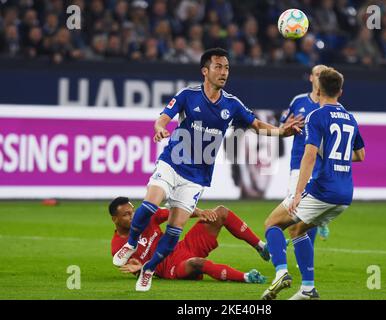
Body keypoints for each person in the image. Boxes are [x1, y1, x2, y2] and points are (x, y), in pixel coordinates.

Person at [113, 47, 302, 292]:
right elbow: (163, 117)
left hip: (196, 178)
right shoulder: (188, 96)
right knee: (150, 204)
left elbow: (255, 124)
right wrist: (160, 128)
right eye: (218, 67)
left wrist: (280, 132)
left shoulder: (232, 104)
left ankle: (149, 270)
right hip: (171, 163)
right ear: (205, 71)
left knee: (173, 231)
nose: (224, 72)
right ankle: (130, 243)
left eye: (226, 68)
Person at [261, 67, 365, 300]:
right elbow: (360, 155)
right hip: (345, 194)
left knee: (272, 223)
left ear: (319, 89)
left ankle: (281, 273)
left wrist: (298, 193)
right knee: (298, 230)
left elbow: (308, 157)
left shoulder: (316, 116)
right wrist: (333, 155)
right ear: (341, 91)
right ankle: (307, 289)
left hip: (323, 189)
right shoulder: (350, 117)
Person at [110, 197, 268, 284]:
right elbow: (138, 269)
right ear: (114, 219)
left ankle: (261, 247)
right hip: (169, 267)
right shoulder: (118, 247)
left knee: (220, 212)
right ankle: (247, 277)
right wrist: (139, 270)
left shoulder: (145, 217)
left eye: (132, 212)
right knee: (196, 263)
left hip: (182, 247)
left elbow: (175, 211)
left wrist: (199, 212)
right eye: (126, 214)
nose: (132, 217)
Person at [280, 64, 331, 243]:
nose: (319, 78)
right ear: (311, 78)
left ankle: (306, 253)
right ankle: (320, 220)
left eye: (323, 75)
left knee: (308, 211)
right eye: (317, 74)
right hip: (298, 164)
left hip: (320, 166)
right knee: (293, 210)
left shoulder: (330, 105)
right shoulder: (298, 101)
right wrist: (289, 126)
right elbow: (281, 128)